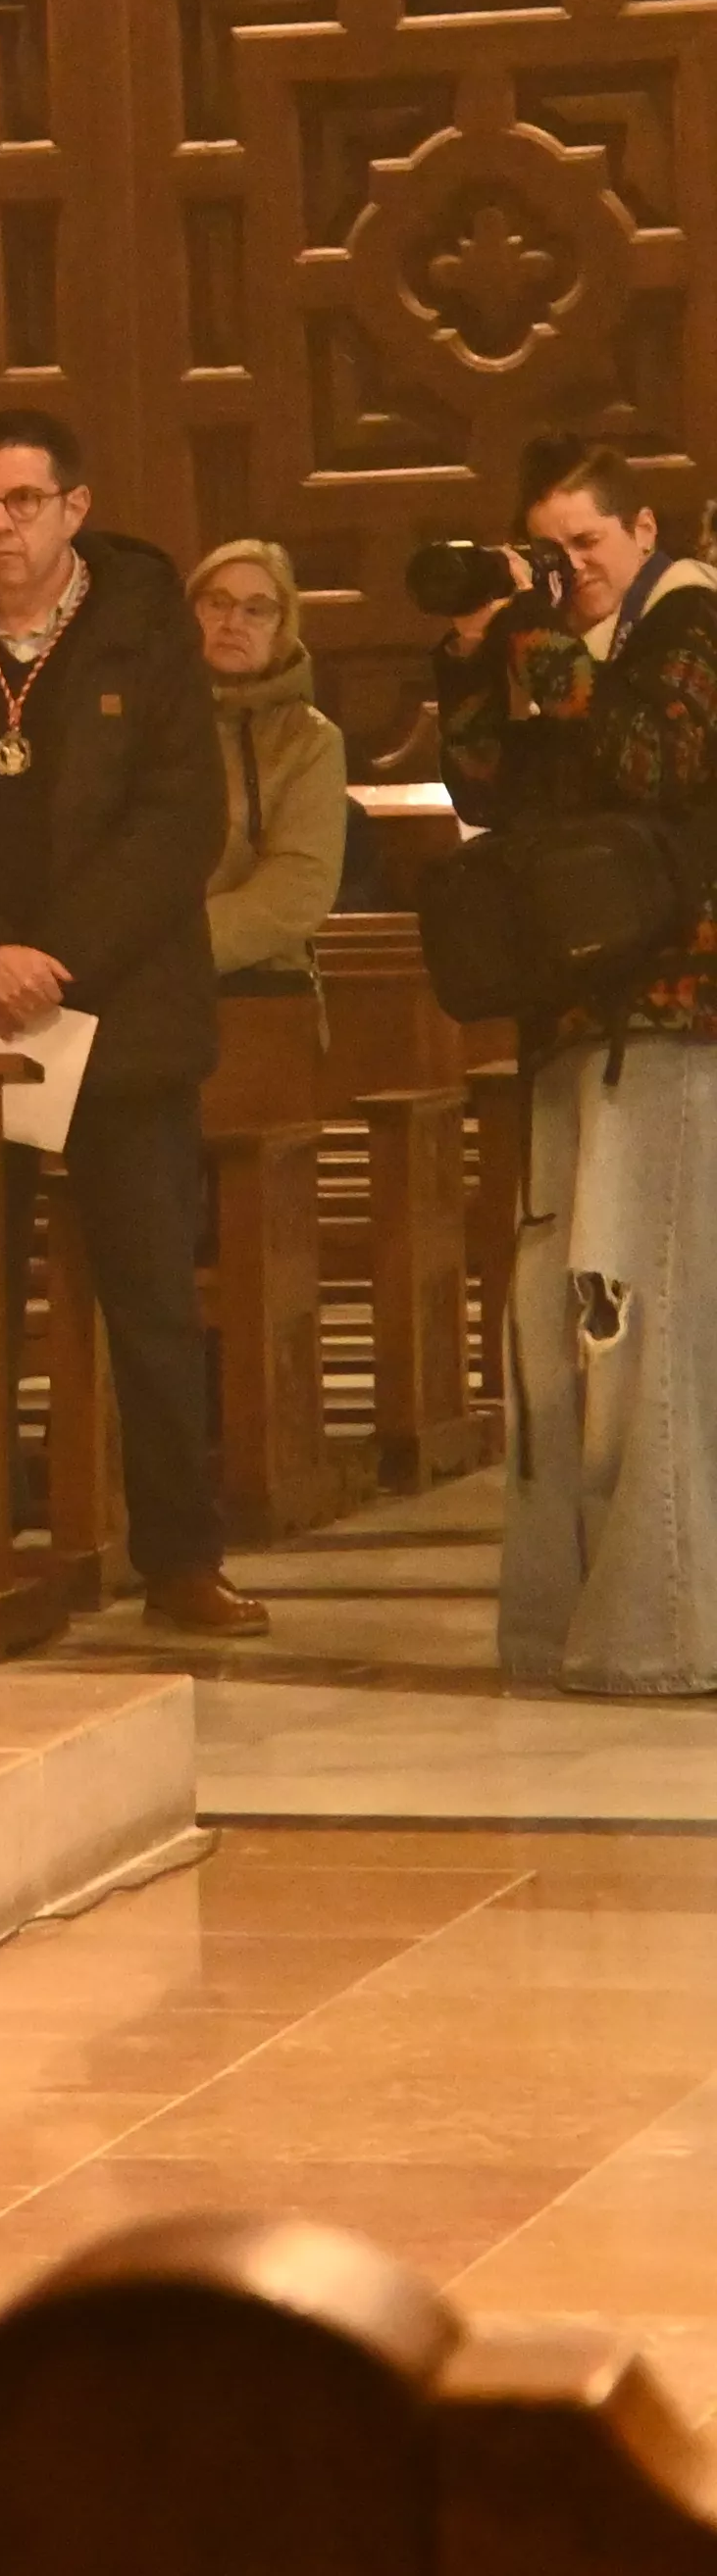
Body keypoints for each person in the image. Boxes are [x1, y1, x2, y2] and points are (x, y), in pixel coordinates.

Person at [0, 406, 256, 1638]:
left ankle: (181, 1557)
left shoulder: (142, 631)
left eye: (23, 502)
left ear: (74, 508)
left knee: (146, 1295)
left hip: (121, 1014)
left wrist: (58, 958)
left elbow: (181, 823)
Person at [436, 432, 717, 1697]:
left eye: (587, 547)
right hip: (566, 1018)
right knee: (556, 1329)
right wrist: (472, 663)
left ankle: (664, 1630)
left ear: (643, 532)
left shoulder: (692, 626)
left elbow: (647, 771)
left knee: (640, 1309)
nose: (571, 572)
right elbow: (492, 797)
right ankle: (562, 1621)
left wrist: (542, 651)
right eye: (547, 553)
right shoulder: (562, 648)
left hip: (671, 1023)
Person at [191, 539, 348, 989]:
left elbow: (297, 889)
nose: (232, 622)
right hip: (130, 977)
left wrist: (176, 947)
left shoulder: (309, 739)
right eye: (216, 603)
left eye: (256, 609)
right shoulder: (145, 718)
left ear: (282, 626)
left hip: (258, 980)